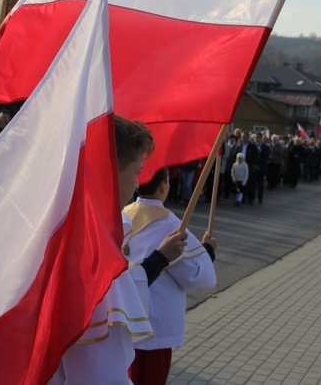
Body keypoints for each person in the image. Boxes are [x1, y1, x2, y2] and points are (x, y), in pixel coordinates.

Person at [49, 117, 187, 384]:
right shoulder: (94, 245)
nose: (138, 184)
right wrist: (158, 261)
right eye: (136, 172)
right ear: (111, 171)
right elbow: (99, 370)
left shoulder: (63, 223)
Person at [124, 167, 217, 385]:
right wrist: (208, 251)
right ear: (163, 186)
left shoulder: (121, 215)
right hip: (155, 326)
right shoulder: (170, 225)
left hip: (125, 318)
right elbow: (195, 275)